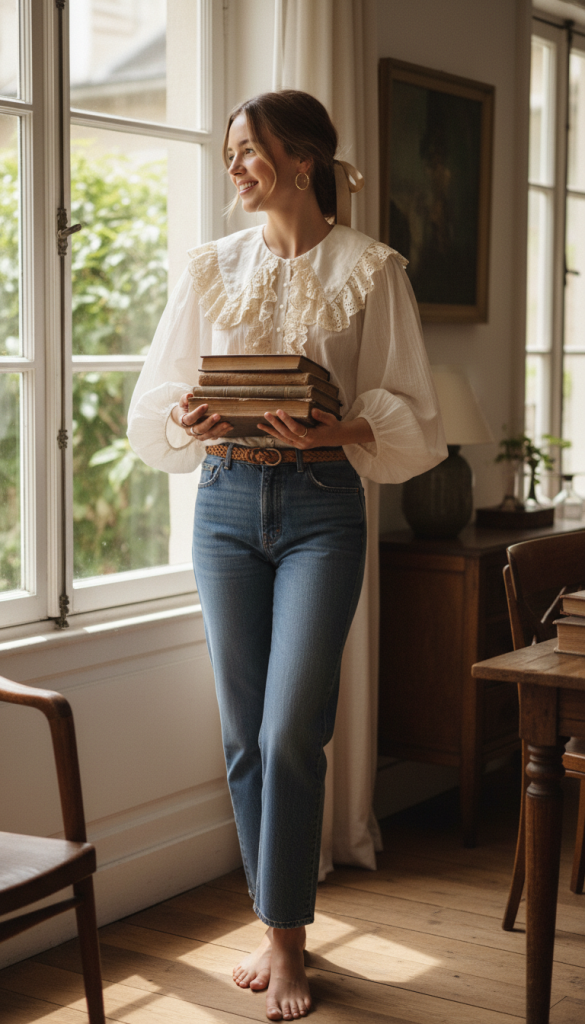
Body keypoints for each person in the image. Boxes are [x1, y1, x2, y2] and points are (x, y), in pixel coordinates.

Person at [127, 90, 447, 1022]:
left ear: (301, 161)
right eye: (229, 152)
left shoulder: (371, 269)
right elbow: (162, 395)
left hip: (321, 510)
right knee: (241, 737)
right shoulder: (209, 267)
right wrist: (189, 418)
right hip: (223, 502)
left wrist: (335, 429)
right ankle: (274, 926)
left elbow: (411, 414)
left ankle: (289, 942)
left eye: (247, 151)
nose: (233, 166)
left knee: (288, 733)